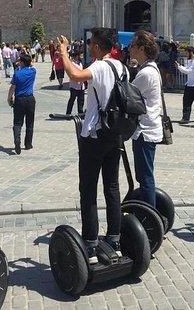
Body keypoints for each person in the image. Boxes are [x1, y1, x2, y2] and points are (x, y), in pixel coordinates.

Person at [56, 28, 124, 264]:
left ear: (96, 47)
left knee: (88, 190)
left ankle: (91, 244)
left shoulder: (99, 66)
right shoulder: (120, 66)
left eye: (90, 43)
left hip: (95, 133)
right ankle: (115, 239)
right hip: (115, 133)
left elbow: (74, 75)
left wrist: (63, 52)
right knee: (112, 187)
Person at [128, 31, 163, 208]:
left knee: (145, 176)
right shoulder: (150, 69)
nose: (130, 49)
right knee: (145, 174)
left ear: (141, 48)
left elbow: (128, 96)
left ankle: (149, 217)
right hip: (149, 128)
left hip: (144, 131)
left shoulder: (146, 74)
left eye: (132, 45)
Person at [7, 54, 36, 154]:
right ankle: (28, 144)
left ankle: (17, 139)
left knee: (17, 122)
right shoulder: (33, 71)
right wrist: (28, 61)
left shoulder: (17, 73)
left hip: (19, 99)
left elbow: (12, 87)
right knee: (30, 122)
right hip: (30, 99)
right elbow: (32, 65)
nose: (18, 62)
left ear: (23, 62)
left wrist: (9, 98)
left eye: (20, 61)